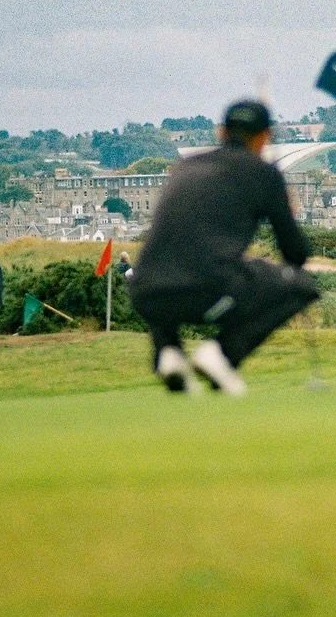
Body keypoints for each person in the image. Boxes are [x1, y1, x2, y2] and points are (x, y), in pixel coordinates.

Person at [129, 99, 320, 397]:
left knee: (170, 271)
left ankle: (168, 352)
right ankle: (222, 354)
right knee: (302, 286)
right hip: (205, 289)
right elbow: (295, 253)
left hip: (145, 291)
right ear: (264, 137)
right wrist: (284, 208)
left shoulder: (187, 166)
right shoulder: (263, 174)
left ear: (221, 132)